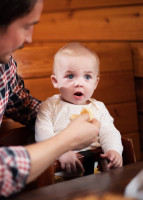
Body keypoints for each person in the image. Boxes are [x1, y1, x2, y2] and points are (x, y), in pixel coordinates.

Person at [0, 1, 99, 199]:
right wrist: (68, 139)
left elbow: (27, 108)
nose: (29, 38)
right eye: (26, 26)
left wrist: (72, 115)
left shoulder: (0, 64)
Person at [35, 42, 123, 178]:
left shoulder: (98, 108)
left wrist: (113, 150)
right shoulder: (50, 106)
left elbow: (109, 132)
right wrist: (60, 151)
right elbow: (43, 134)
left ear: (96, 83)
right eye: (70, 76)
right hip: (59, 173)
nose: (79, 83)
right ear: (55, 81)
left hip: (94, 171)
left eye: (87, 77)